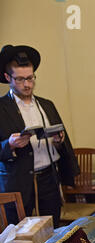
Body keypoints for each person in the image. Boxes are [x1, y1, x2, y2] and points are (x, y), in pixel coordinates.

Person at [0, 44, 79, 227]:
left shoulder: (47, 105)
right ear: (7, 78)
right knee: (21, 237)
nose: (27, 84)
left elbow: (60, 142)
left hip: (48, 180)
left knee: (52, 231)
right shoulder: (2, 108)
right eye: (20, 79)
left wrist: (59, 141)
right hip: (18, 183)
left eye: (30, 78)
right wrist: (9, 144)